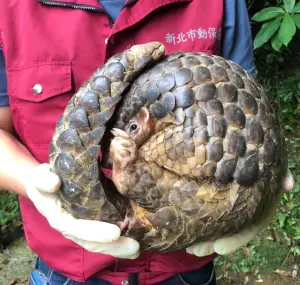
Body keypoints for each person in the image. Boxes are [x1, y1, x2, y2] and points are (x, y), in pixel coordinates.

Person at [0, 1, 294, 285]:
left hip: (185, 264)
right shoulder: (10, 7)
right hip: (67, 268)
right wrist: (31, 182)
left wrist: (261, 179)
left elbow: (246, 108)